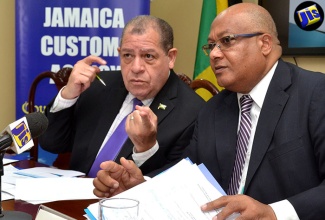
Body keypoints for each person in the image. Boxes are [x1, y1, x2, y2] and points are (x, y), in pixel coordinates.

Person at [93, 3, 325, 219]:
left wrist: (273, 213)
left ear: (264, 44)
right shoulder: (213, 109)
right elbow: (189, 176)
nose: (214, 54)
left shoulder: (315, 94)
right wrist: (142, 185)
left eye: (227, 41)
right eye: (211, 45)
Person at [38, 15, 205, 177]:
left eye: (148, 56)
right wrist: (68, 95)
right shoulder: (99, 84)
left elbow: (173, 183)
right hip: (73, 198)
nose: (136, 67)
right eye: (128, 55)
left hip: (132, 203)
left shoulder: (193, 113)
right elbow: (51, 143)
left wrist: (145, 150)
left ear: (171, 57)